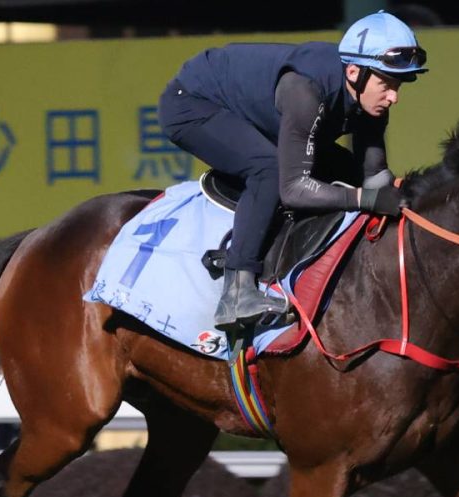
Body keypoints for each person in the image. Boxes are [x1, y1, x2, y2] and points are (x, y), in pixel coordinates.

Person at [157, 11, 428, 331]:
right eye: (386, 83)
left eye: (398, 84)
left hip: (256, 110)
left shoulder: (369, 95)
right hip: (193, 103)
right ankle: (237, 292)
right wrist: (367, 199)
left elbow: (375, 178)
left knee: (345, 170)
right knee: (268, 168)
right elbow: (295, 188)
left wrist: (414, 199)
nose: (394, 97)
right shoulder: (305, 92)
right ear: (354, 72)